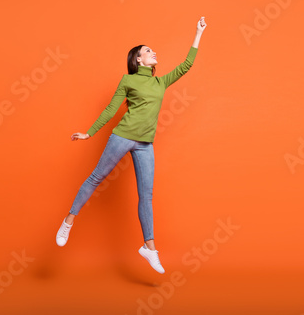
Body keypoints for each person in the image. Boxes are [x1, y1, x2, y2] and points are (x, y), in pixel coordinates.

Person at [56, 17, 207, 274]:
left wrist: (198, 33)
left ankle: (149, 248)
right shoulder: (128, 81)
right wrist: (89, 133)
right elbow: (111, 108)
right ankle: (68, 221)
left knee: (146, 195)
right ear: (138, 59)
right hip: (122, 136)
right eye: (148, 51)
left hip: (145, 144)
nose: (153, 52)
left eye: (152, 50)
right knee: (95, 178)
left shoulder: (161, 82)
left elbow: (187, 65)